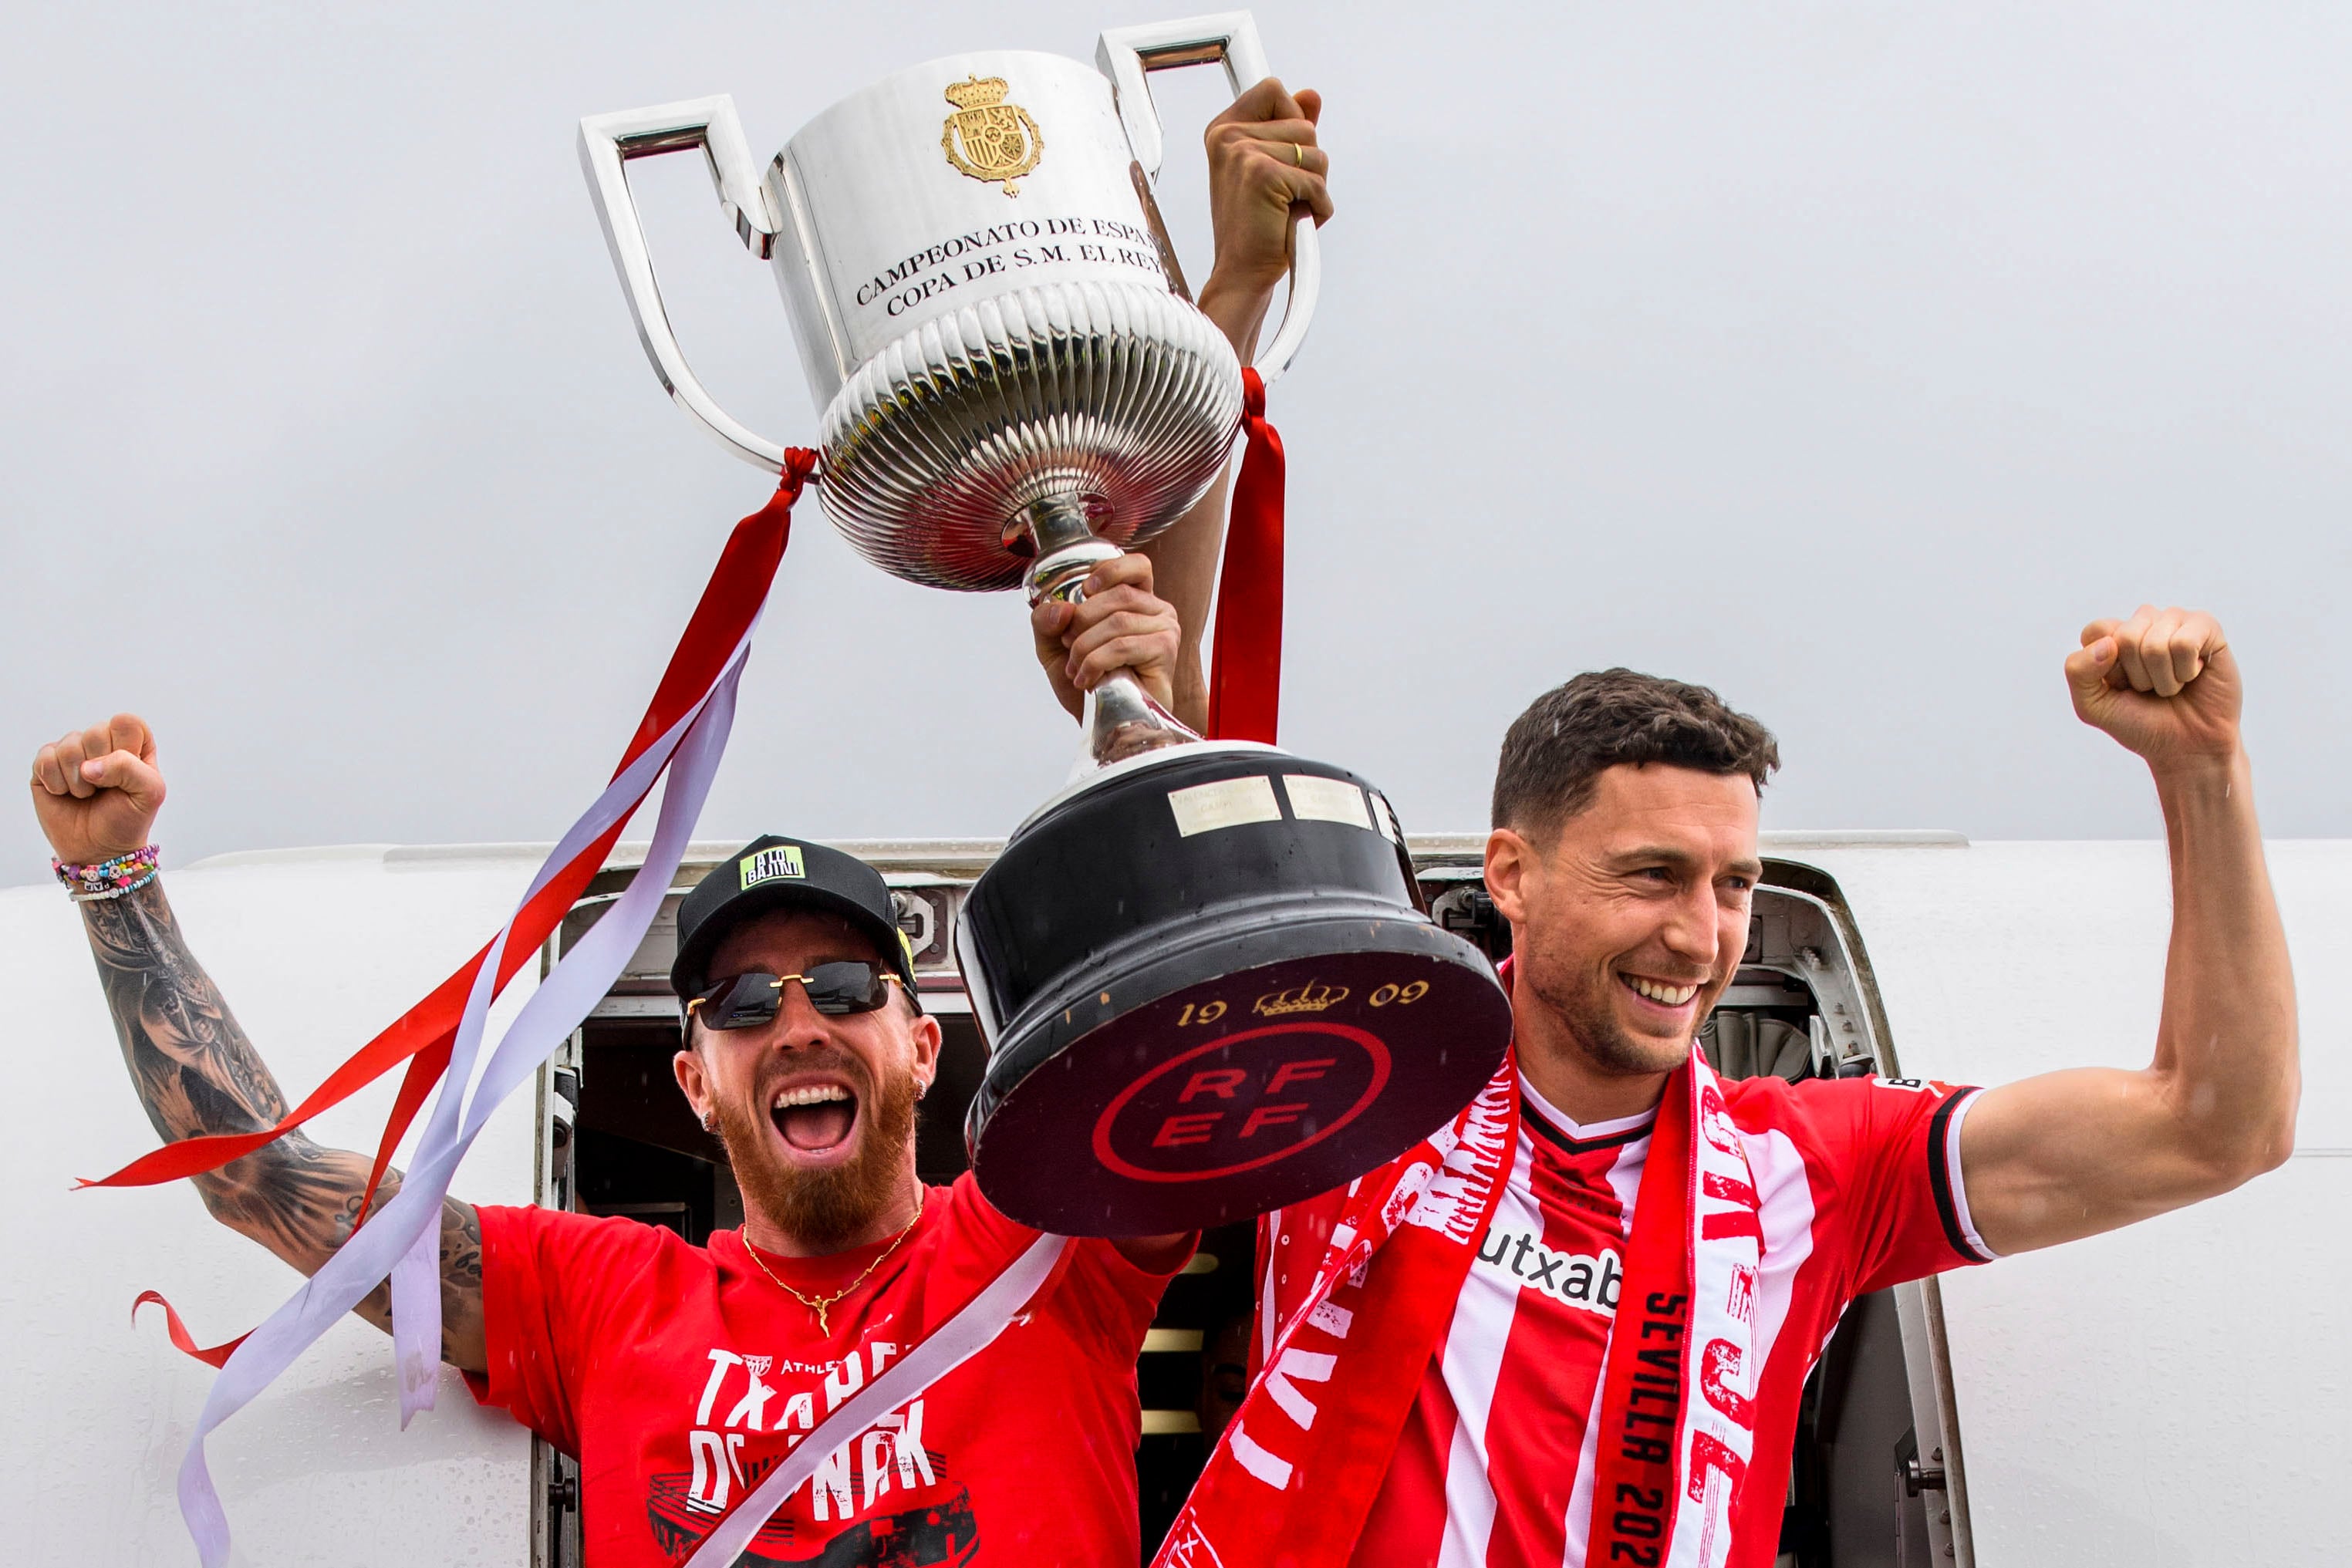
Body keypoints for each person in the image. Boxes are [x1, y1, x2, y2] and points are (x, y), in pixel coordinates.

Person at [29, 79, 1334, 1567]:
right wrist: (113, 877)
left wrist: (1210, 314)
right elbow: (258, 1178)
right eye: (739, 1000)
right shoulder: (603, 1298)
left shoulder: (1046, 1236)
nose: (797, 1019)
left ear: (922, 1041)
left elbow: (1207, 960)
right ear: (695, 1079)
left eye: (845, 985)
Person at [1164, 606, 2297, 1568]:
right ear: (1511, 873)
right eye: (1650, 874)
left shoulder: (1808, 1164)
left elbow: (2215, 1125)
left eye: (1732, 883)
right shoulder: (1361, 1073)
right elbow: (1187, 819)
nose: (1699, 935)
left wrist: (2203, 770)